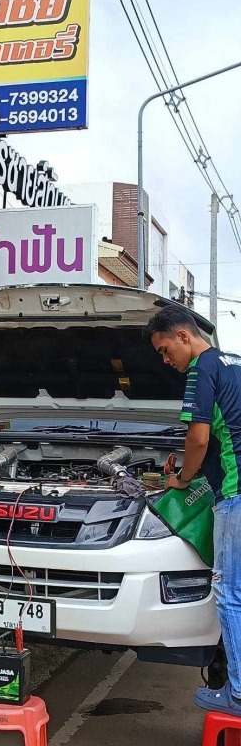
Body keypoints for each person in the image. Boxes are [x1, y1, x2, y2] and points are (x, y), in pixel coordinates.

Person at [146, 304, 241, 715]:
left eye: (165, 350)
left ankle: (237, 693)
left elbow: (199, 439)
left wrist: (182, 478)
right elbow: (228, 429)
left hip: (236, 497)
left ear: (185, 336)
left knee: (229, 594)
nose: (166, 360)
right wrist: (186, 462)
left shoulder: (201, 369)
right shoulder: (234, 362)